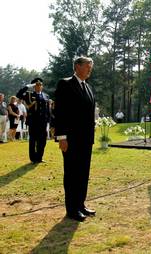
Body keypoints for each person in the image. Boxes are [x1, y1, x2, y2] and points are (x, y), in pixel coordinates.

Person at [54, 56, 96, 222]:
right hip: (71, 139)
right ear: (77, 66)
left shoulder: (88, 87)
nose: (90, 69)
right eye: (87, 66)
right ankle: (72, 209)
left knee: (83, 173)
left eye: (90, 66)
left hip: (86, 139)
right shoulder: (65, 84)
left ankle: (80, 204)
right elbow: (60, 112)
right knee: (72, 173)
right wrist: (62, 137)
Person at [16, 78, 50, 162]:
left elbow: (47, 109)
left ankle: (39, 157)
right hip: (33, 121)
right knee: (33, 140)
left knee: (42, 140)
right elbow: (18, 95)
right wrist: (28, 86)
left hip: (43, 122)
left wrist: (48, 120)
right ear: (34, 86)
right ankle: (33, 158)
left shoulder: (46, 95)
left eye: (40, 85)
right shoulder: (29, 94)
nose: (39, 86)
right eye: (37, 85)